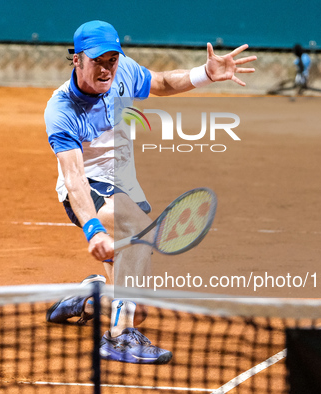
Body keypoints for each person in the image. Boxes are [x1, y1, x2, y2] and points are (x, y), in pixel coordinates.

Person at [44, 20, 256, 364]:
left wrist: (204, 73)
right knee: (138, 227)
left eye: (112, 60)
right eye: (97, 61)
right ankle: (117, 339)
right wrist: (92, 228)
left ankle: (88, 298)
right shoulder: (61, 109)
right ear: (77, 60)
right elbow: (74, 178)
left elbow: (160, 82)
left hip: (124, 184)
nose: (106, 68)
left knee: (133, 309)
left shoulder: (123, 71)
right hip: (89, 188)